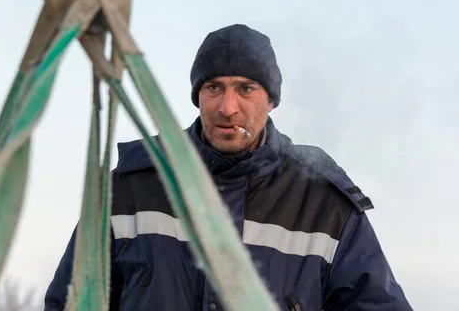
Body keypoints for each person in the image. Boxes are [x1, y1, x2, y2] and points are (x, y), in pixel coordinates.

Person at [44, 24, 413, 311]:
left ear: (271, 100)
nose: (227, 107)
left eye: (246, 88)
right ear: (198, 96)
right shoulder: (130, 187)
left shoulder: (324, 204)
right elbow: (71, 300)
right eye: (214, 88)